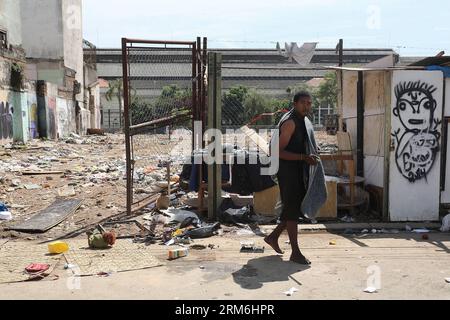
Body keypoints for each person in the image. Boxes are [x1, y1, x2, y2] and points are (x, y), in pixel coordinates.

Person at [264, 91, 320, 265]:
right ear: (295, 103)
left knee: (293, 208)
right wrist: (303, 157)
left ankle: (273, 237)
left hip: (297, 170)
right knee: (293, 208)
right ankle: (295, 252)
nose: (307, 106)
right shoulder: (290, 123)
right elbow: (276, 152)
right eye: (303, 102)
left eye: (309, 103)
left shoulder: (303, 121)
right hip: (287, 171)